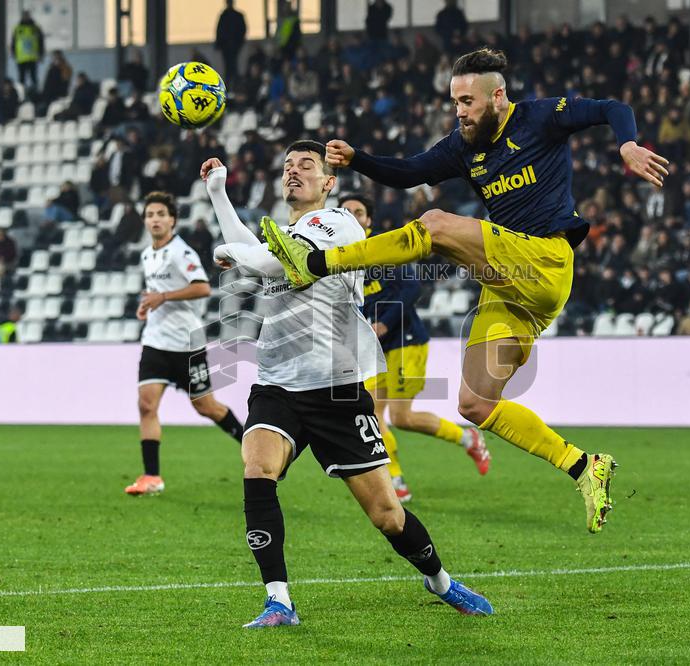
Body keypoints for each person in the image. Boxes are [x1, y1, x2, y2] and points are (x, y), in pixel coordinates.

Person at [262, 49, 669, 533]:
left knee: (434, 224)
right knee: (475, 404)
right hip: (507, 287)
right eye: (455, 101)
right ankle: (584, 466)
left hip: (545, 261)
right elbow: (410, 172)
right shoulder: (463, 146)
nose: (459, 111)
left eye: (467, 101)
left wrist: (627, 144)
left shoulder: (540, 117)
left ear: (497, 96)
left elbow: (612, 108)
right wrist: (359, 160)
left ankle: (315, 262)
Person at [203, 141, 492, 627]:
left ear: (328, 182)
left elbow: (274, 263)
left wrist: (230, 251)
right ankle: (279, 601)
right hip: (277, 384)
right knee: (257, 469)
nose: (294, 171)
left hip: (336, 389)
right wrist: (218, 193)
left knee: (388, 516)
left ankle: (440, 581)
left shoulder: (339, 223)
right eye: (288, 165)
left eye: (306, 165)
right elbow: (259, 254)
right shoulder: (285, 232)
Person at [340, 192, 491, 503]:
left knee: (402, 417)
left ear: (369, 220)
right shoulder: (340, 259)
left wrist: (384, 323)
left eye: (358, 212)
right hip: (374, 347)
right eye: (346, 212)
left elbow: (412, 287)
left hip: (405, 340)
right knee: (372, 413)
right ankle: (395, 479)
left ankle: (467, 438)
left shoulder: (381, 248)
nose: (352, 216)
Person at [126, 191, 245, 496]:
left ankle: (252, 443)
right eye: (150, 215)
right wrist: (149, 304)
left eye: (160, 214)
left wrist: (164, 297)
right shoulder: (147, 254)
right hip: (155, 342)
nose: (155, 220)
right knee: (146, 405)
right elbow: (157, 292)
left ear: (172, 220)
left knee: (206, 407)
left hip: (187, 345)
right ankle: (151, 477)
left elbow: (202, 288)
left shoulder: (182, 252)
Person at [10, 10, 45, 91]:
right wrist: (13, 52)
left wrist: (41, 53)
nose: (26, 17)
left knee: (34, 77)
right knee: (21, 78)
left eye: (27, 15)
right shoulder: (17, 28)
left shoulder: (36, 28)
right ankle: (22, 93)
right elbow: (13, 42)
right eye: (24, 16)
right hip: (21, 58)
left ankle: (35, 92)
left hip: (33, 57)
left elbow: (41, 42)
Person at [215, 0, 247, 83]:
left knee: (232, 66)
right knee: (229, 66)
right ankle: (232, 83)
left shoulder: (226, 16)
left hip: (233, 46)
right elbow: (220, 31)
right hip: (229, 46)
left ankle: (233, 83)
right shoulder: (226, 16)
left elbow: (220, 31)